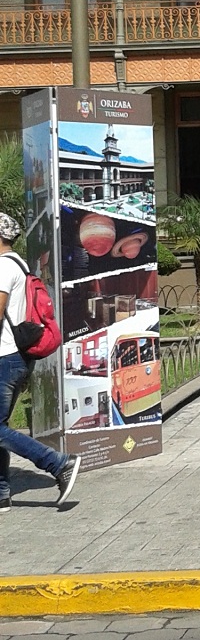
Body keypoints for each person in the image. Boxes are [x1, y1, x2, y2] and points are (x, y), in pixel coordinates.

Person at [0, 213, 80, 514]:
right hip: (15, 356)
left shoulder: (2, 266)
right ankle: (2, 494)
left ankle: (59, 463)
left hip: (4, 357)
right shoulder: (19, 264)